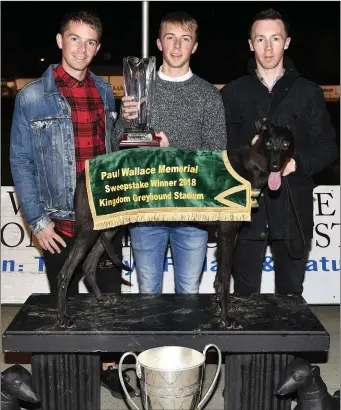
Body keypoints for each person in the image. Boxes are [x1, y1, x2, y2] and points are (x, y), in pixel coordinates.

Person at [9, 10, 136, 399]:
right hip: (59, 222)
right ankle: (72, 376)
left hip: (105, 216)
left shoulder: (103, 89)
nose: (82, 48)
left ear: (98, 48)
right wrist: (36, 219)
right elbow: (21, 160)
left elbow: (109, 146)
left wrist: (126, 123)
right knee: (65, 305)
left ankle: (110, 370)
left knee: (108, 304)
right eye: (75, 39)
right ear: (60, 41)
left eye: (91, 41)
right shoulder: (31, 96)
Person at [220, 8, 338, 296]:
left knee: (290, 299)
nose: (268, 47)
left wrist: (297, 163)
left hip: (293, 211)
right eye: (260, 39)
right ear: (250, 44)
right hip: (246, 213)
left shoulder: (308, 93)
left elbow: (328, 148)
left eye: (275, 38)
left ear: (287, 42)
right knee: (245, 299)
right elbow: (219, 150)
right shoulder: (232, 93)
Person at [116, 11, 227, 294]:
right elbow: (116, 145)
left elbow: (216, 161)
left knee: (189, 292)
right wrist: (123, 119)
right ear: (158, 43)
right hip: (146, 210)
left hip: (191, 215)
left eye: (185, 39)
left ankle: (185, 340)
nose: (177, 46)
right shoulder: (139, 89)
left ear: (195, 47)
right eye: (170, 38)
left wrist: (171, 150)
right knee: (148, 293)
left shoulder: (209, 96)